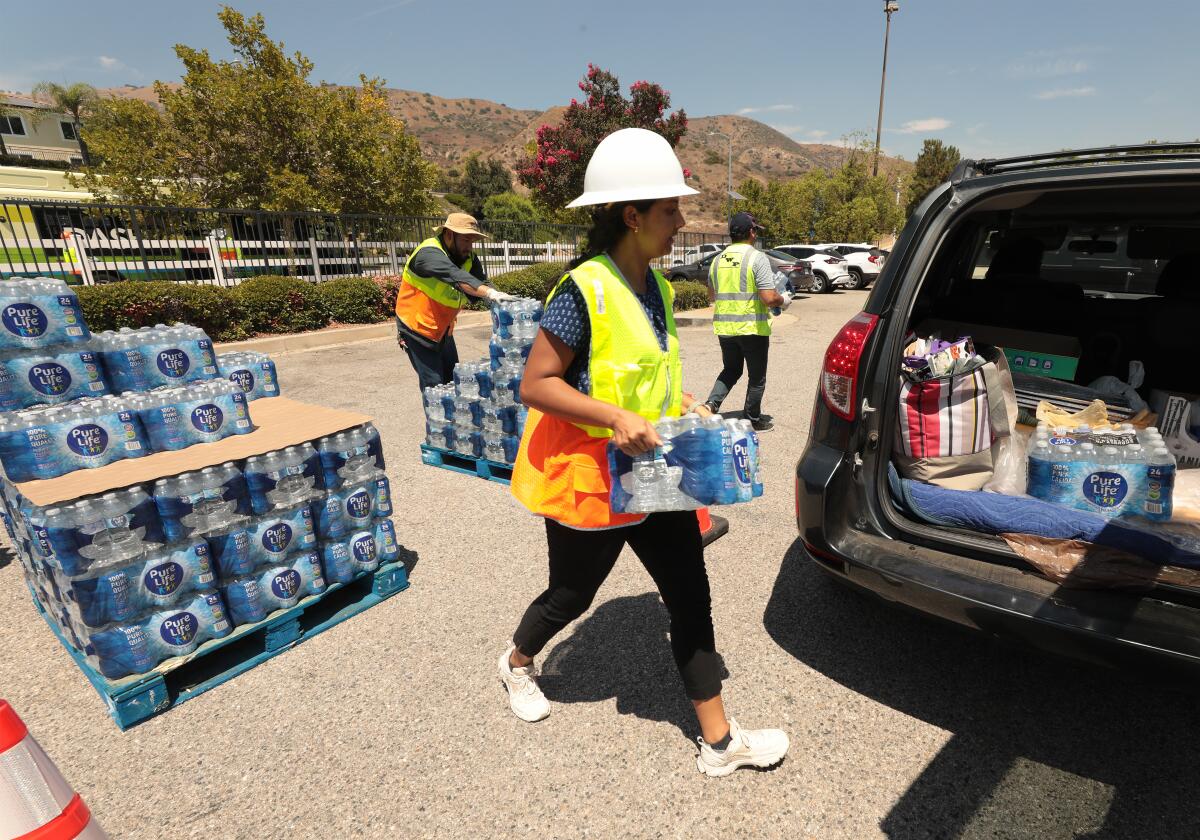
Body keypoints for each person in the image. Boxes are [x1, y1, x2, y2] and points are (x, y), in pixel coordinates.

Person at [501, 128, 790, 778]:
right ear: (631, 216)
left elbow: (642, 374)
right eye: (670, 210)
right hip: (590, 481)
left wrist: (682, 402)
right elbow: (536, 384)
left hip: (655, 475)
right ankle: (517, 662)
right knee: (571, 596)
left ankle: (719, 744)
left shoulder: (657, 291)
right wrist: (613, 417)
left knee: (691, 596)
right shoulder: (584, 291)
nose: (682, 221)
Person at [394, 212, 514, 391]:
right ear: (449, 234)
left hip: (443, 329)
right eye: (466, 240)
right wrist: (489, 293)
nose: (469, 247)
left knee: (453, 382)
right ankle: (436, 419)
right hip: (417, 330)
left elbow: (480, 281)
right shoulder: (428, 254)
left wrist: (500, 300)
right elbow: (455, 275)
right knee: (435, 387)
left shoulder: (468, 258)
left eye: (472, 241)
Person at [700, 212, 789, 432]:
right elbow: (768, 298)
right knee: (757, 377)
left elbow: (712, 295)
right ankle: (752, 419)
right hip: (752, 328)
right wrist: (783, 299)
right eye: (756, 230)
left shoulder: (717, 260)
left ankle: (711, 405)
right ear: (751, 232)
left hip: (725, 328)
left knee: (731, 369)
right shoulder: (756, 258)